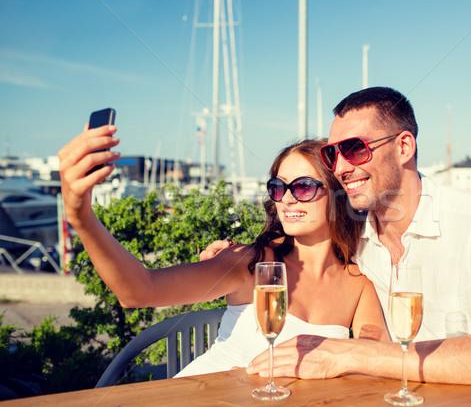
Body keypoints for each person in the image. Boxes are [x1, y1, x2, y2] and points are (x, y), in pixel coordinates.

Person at [203, 87, 471, 406]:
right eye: (333, 155)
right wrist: (240, 251)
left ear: (404, 146)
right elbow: (297, 232)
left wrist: (350, 353)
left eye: (354, 149)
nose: (342, 167)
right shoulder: (353, 235)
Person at [58, 130, 389, 376]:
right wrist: (82, 218)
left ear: (336, 197)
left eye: (302, 187)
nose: (286, 199)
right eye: (278, 187)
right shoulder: (251, 262)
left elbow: (377, 355)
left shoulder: (358, 283)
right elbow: (139, 290)